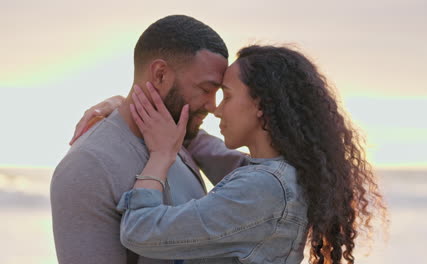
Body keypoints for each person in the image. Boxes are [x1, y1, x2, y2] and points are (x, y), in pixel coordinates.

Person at [108, 45, 387, 264]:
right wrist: (124, 107)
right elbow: (202, 146)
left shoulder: (263, 188)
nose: (217, 109)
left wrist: (159, 157)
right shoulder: (282, 175)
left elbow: (139, 232)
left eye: (227, 96)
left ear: (261, 105)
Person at [50, 15, 247, 264]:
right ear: (160, 74)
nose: (212, 106)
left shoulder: (180, 136)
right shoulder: (88, 165)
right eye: (206, 90)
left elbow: (260, 173)